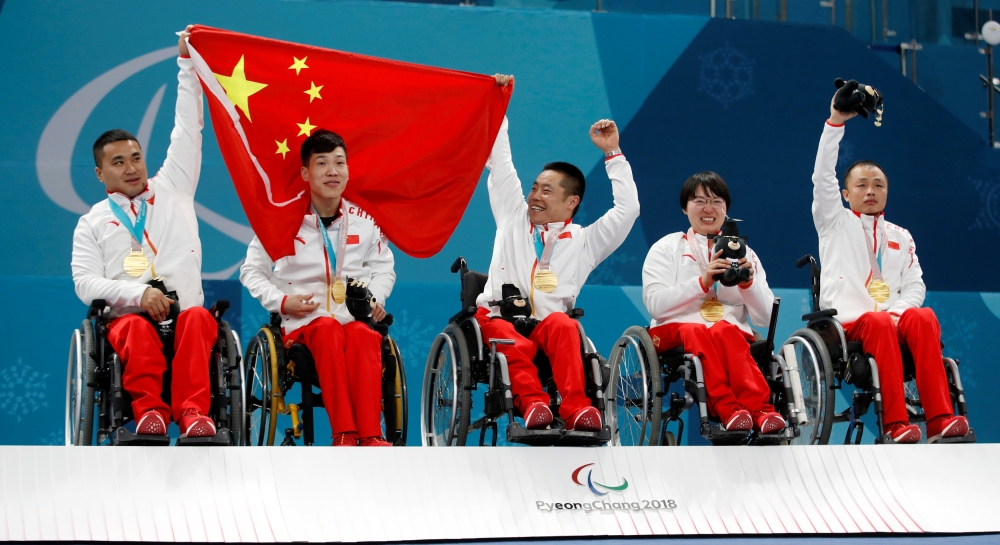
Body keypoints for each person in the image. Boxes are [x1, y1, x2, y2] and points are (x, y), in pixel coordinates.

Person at [71, 26, 218, 438]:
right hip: (130, 320)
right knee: (135, 327)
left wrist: (186, 64)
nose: (132, 167)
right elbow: (84, 283)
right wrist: (140, 294)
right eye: (119, 162)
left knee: (200, 320)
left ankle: (192, 414)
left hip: (184, 315)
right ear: (101, 174)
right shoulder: (93, 222)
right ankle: (149, 412)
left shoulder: (174, 187)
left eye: (136, 157)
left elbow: (188, 126)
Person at [474, 75, 640, 431]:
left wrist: (613, 153)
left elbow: (627, 211)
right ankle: (535, 405)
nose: (535, 195)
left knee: (566, 325)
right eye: (534, 187)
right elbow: (499, 159)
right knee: (508, 336)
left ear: (571, 202)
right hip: (500, 318)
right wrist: (498, 101)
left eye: (546, 191)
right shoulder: (512, 215)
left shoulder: (584, 241)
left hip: (548, 328)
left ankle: (576, 408)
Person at [811, 87, 971, 443]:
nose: (870, 190)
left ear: (887, 192)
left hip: (892, 321)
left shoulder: (901, 235)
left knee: (924, 315)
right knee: (881, 322)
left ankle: (941, 418)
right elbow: (822, 177)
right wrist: (836, 121)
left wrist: (900, 312)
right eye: (862, 185)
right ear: (846, 193)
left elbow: (915, 286)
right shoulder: (834, 221)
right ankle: (895, 425)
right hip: (850, 326)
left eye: (878, 185)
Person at [240, 129, 396, 447]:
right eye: (322, 163)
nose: (332, 171)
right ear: (305, 172)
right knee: (326, 329)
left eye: (339, 163)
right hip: (304, 321)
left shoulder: (365, 221)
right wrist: (283, 301)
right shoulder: (281, 220)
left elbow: (383, 269)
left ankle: (371, 435)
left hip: (354, 317)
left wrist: (375, 299)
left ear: (348, 170)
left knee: (366, 335)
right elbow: (251, 272)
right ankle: (344, 433)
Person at [642, 172, 786, 434]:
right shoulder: (666, 247)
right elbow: (655, 305)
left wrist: (748, 285)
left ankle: (762, 411)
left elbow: (765, 319)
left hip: (727, 334)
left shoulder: (745, 253)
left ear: (726, 209)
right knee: (697, 329)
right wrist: (702, 283)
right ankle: (729, 410)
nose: (708, 208)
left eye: (716, 201)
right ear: (684, 208)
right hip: (673, 331)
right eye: (698, 201)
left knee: (725, 328)